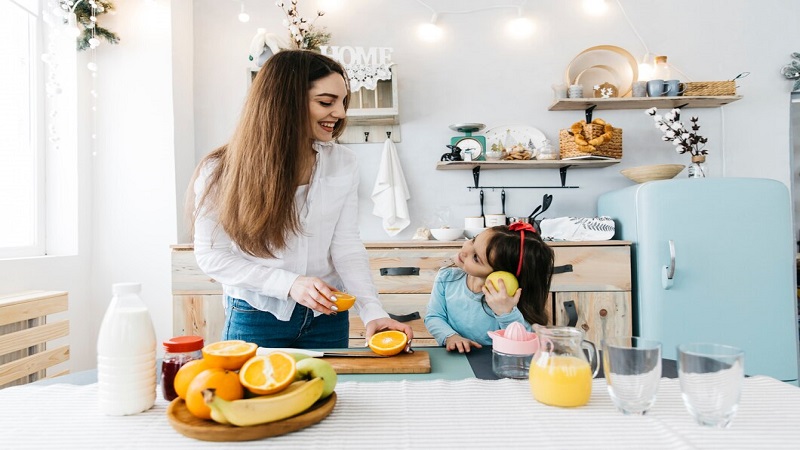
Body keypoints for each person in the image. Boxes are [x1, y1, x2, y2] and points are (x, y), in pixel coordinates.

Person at [189, 50, 413, 349]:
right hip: (257, 316)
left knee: (330, 395)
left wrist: (372, 311)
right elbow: (211, 256)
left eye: (342, 102)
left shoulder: (343, 162)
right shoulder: (220, 169)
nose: (342, 113)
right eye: (326, 102)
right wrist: (290, 284)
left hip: (328, 315)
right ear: (285, 102)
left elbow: (345, 246)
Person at [424, 222, 554, 353]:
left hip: (494, 362)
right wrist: (451, 337)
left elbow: (524, 343)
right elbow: (434, 316)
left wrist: (505, 312)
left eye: (476, 257)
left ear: (501, 273)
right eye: (473, 240)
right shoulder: (446, 277)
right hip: (456, 357)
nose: (465, 251)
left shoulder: (507, 299)